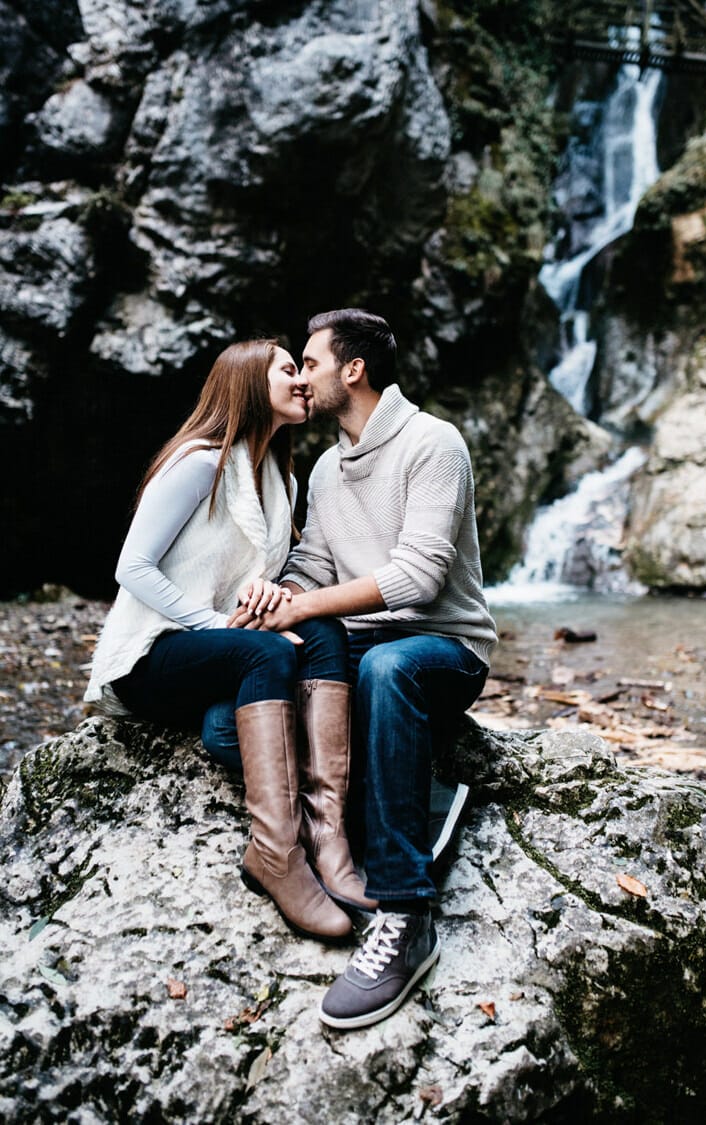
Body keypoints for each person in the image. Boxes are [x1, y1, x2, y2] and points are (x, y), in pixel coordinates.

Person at [227, 309, 498, 1029]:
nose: (301, 377)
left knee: (385, 669)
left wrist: (304, 605)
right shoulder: (326, 466)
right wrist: (273, 599)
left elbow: (417, 578)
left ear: (353, 369)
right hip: (361, 644)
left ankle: (407, 915)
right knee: (232, 722)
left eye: (311, 362)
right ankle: (415, 796)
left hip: (442, 647)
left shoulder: (433, 443)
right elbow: (313, 561)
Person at [83, 338, 375, 944]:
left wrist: (269, 593)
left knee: (322, 629)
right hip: (154, 654)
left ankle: (328, 834)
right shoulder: (199, 463)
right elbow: (132, 567)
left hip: (223, 649)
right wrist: (215, 624)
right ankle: (275, 854)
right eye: (288, 370)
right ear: (248, 384)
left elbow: (257, 572)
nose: (302, 381)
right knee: (263, 651)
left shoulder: (279, 478)